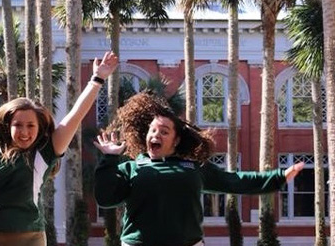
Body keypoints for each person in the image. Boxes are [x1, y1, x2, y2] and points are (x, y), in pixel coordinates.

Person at [0, 52, 119, 246]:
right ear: (7, 125)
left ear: (39, 129)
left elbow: (75, 115)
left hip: (30, 238)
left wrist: (97, 79)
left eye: (31, 126)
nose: (24, 132)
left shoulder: (44, 153)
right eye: (18, 125)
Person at [92, 92, 304, 246]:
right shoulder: (132, 167)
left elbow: (234, 180)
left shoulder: (193, 169)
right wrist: (109, 159)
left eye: (164, 132)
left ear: (176, 141)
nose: (156, 135)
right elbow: (106, 198)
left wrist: (278, 177)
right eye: (153, 130)